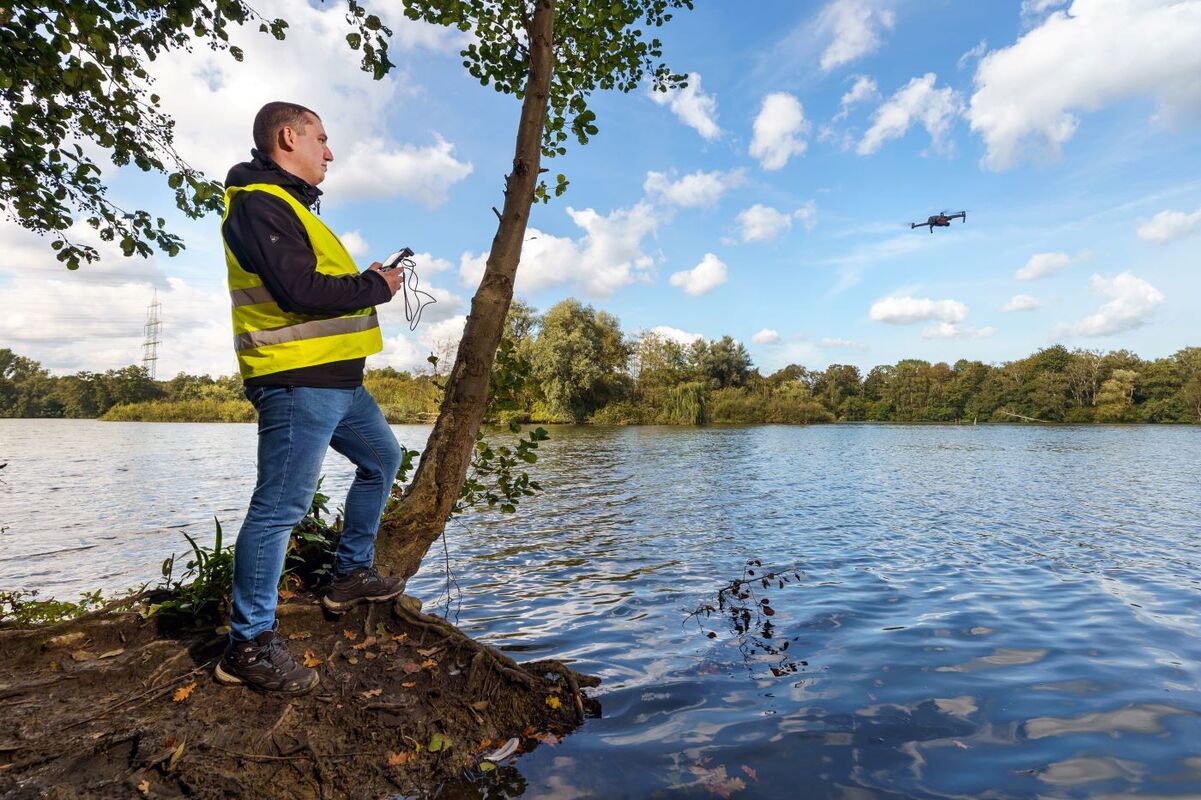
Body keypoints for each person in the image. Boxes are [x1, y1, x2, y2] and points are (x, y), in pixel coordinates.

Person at [214, 101, 407, 695]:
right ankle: (248, 645)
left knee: (383, 459)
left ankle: (349, 575)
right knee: (279, 508)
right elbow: (298, 290)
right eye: (321, 139)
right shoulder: (258, 202)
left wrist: (364, 281)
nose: (330, 152)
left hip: (339, 384)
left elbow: (314, 284)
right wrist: (375, 286)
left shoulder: (289, 204)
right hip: (297, 381)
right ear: (287, 137)